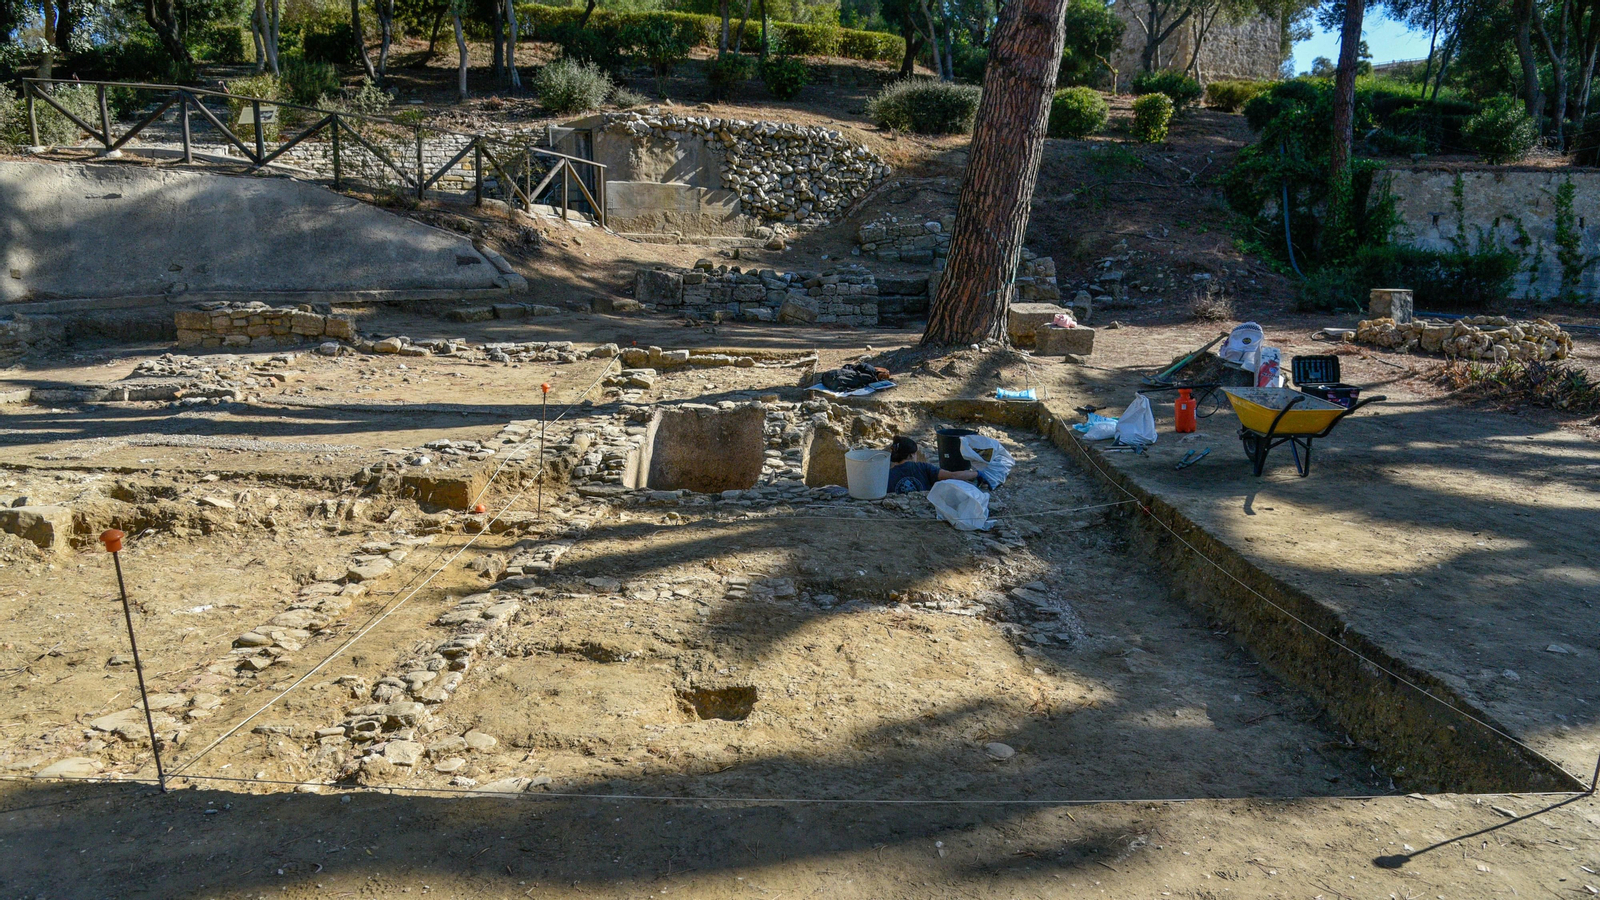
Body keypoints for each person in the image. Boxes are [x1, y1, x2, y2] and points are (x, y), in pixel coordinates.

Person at [886, 435, 982, 494]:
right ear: (911, 455)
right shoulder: (923, 468)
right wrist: (977, 474)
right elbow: (952, 475)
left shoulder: (888, 475)